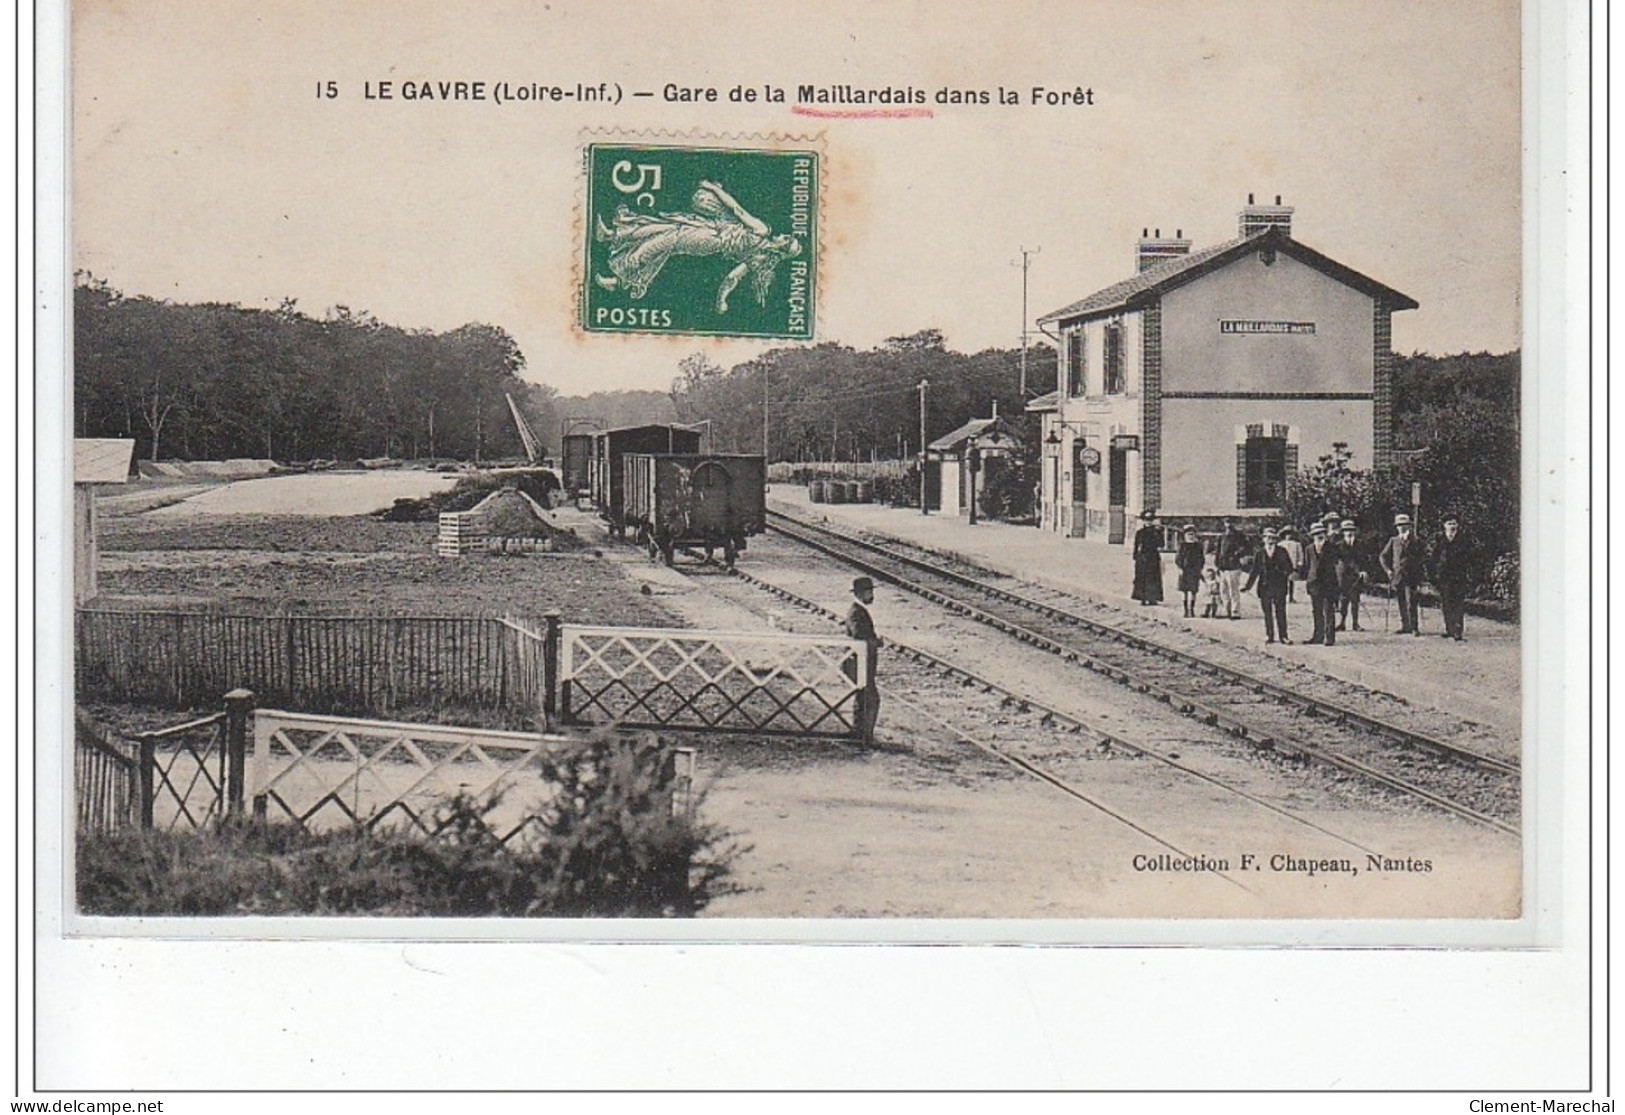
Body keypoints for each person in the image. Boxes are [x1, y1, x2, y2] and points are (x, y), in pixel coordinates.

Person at [594, 180, 803, 314]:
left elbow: (737, 210)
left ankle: (621, 269)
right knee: (666, 229)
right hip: (711, 230)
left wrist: (713, 189)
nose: (784, 235)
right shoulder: (759, 260)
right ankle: (613, 239)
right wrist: (722, 300)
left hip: (711, 238)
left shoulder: (762, 231)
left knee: (666, 239)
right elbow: (732, 278)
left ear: (782, 246)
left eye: (787, 239)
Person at [843, 576, 882, 744]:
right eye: (869, 592)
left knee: (864, 698)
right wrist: (876, 642)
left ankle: (860, 734)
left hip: (861, 662)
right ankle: (864, 736)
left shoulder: (858, 610)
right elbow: (860, 636)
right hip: (858, 663)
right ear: (860, 593)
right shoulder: (856, 613)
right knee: (870, 698)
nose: (872, 595)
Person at [1241, 526, 1296, 644]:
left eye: (1273, 538)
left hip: (1279, 586)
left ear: (1276, 540)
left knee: (1280, 612)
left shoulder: (1282, 551)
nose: (1270, 540)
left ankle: (1283, 636)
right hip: (1265, 587)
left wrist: (1284, 573)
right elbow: (1254, 571)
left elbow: (1289, 568)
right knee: (1267, 613)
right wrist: (1247, 586)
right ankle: (1269, 635)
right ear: (1264, 539)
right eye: (1268, 538)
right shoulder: (1260, 553)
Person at [1379, 512, 1425, 635]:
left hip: (1412, 576)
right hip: (1397, 576)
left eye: (1404, 525)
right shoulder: (1393, 540)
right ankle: (1405, 626)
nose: (1401, 527)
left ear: (1409, 526)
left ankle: (1414, 627)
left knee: (1412, 602)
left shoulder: (1416, 540)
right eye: (1399, 525)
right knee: (1401, 601)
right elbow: (1383, 556)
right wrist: (1388, 570)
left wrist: (1420, 574)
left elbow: (1422, 558)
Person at [1431, 514, 1473, 641]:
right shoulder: (1439, 539)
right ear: (1444, 526)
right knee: (1446, 604)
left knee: (1458, 604)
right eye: (1449, 523)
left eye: (1454, 523)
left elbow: (1470, 557)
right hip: (1444, 577)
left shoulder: (1464, 539)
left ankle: (1457, 632)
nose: (1452, 526)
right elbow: (1434, 557)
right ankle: (1449, 629)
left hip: (1459, 576)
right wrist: (1434, 574)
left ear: (1458, 525)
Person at [1302, 521, 1342, 645]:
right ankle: (1317, 636)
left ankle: (1329, 637)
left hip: (1328, 583)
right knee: (1316, 610)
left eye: (1320, 533)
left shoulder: (1332, 547)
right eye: (1315, 534)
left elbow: (1338, 561)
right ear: (1312, 535)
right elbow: (1307, 566)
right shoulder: (1309, 548)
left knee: (1328, 610)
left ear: (1324, 534)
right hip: (1314, 583)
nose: (1318, 535)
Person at [1335, 519, 1368, 632]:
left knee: (1355, 600)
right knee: (1343, 599)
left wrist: (1363, 570)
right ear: (1343, 532)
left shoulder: (1360, 544)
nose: (1349, 533)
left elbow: (1364, 559)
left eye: (1351, 530)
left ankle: (1355, 623)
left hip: (1356, 576)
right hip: (1343, 576)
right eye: (1346, 530)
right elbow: (1335, 560)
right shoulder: (1338, 545)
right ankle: (1342, 623)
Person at [1131, 510, 1164, 605]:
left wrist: (1158, 533)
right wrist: (1135, 556)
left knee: (1153, 578)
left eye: (1150, 519)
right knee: (1142, 578)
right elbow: (1136, 545)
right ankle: (1143, 598)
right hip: (1142, 557)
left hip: (1153, 556)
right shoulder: (1140, 532)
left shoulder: (1156, 531)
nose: (1148, 522)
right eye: (1146, 519)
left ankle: (1153, 598)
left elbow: (1161, 544)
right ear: (1143, 521)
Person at [1215, 518, 1247, 619]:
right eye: (1226, 523)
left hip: (1233, 567)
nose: (1228, 526)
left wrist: (1236, 554)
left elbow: (1245, 548)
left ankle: (1235, 611)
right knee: (1223, 590)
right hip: (1223, 567)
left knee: (1233, 590)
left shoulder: (1239, 536)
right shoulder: (1222, 537)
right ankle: (1226, 609)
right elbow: (1218, 551)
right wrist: (1217, 564)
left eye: (1230, 523)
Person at [1174, 524, 1205, 618]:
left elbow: (1201, 558)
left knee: (1193, 591)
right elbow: (1178, 558)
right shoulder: (1183, 546)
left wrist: (1200, 569)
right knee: (1184, 591)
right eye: (1189, 534)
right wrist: (1180, 568)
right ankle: (1185, 610)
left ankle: (1191, 610)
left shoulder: (1198, 546)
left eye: (1192, 534)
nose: (1191, 536)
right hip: (1185, 570)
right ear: (1185, 536)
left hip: (1194, 571)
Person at [1279, 527, 1304, 602]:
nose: (1288, 536)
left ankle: (1291, 597)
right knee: (1282, 582)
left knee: (1291, 581)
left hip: (1293, 564)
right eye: (1287, 534)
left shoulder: (1297, 544)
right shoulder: (1280, 544)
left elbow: (1300, 555)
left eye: (1290, 534)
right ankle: (1282, 596)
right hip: (1282, 565)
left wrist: (1299, 564)